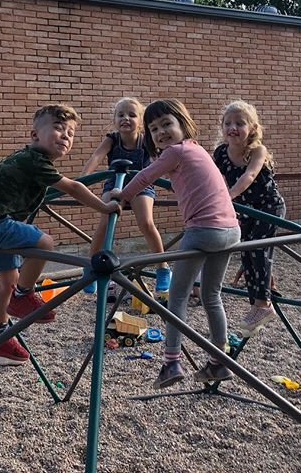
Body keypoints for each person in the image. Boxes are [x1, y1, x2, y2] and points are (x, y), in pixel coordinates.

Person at [0, 104, 121, 366]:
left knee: (7, 281)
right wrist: (105, 207)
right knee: (45, 242)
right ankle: (24, 295)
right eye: (58, 129)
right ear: (35, 135)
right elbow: (72, 187)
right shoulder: (35, 160)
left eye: (70, 133)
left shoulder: (30, 160)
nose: (65, 136)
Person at [112, 99, 240, 389]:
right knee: (212, 297)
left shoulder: (175, 152)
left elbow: (145, 176)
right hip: (231, 231)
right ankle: (219, 362)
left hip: (203, 230)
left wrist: (120, 195)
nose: (161, 133)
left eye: (167, 124)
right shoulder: (197, 151)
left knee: (177, 298)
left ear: (183, 124)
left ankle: (171, 363)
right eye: (154, 129)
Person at [81, 97, 169, 296]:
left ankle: (162, 267)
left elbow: (158, 160)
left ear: (141, 121)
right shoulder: (112, 139)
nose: (126, 118)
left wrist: (170, 179)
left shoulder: (146, 140)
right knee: (104, 223)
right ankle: (90, 266)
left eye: (132, 115)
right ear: (114, 119)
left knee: (146, 223)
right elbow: (96, 157)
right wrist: (83, 179)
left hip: (141, 184)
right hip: (114, 185)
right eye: (121, 115)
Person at [213, 100, 286, 338]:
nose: (232, 127)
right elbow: (214, 179)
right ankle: (261, 293)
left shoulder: (257, 151)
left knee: (256, 249)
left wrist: (228, 196)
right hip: (244, 209)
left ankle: (262, 304)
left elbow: (250, 175)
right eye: (228, 123)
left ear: (252, 128)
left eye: (239, 123)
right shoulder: (221, 154)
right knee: (245, 251)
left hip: (268, 207)